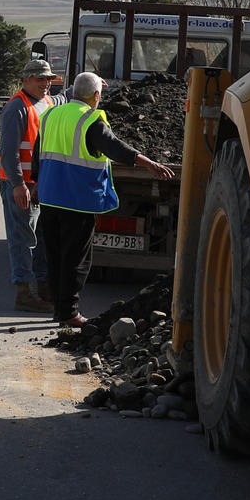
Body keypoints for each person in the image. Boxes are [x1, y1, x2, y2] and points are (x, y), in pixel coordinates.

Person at [34, 72, 176, 328]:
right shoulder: (90, 118)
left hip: (50, 197)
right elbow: (114, 147)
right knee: (76, 260)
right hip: (77, 200)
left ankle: (60, 308)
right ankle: (69, 313)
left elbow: (38, 153)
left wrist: (35, 184)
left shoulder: (51, 115)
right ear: (97, 95)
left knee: (55, 256)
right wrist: (148, 163)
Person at [0, 59, 56, 313]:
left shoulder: (48, 103)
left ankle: (42, 288)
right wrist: (18, 184)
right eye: (40, 79)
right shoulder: (16, 107)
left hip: (39, 185)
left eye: (48, 79)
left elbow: (65, 97)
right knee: (22, 239)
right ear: (26, 80)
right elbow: (8, 153)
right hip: (20, 185)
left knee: (41, 238)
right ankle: (24, 293)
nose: (45, 83)